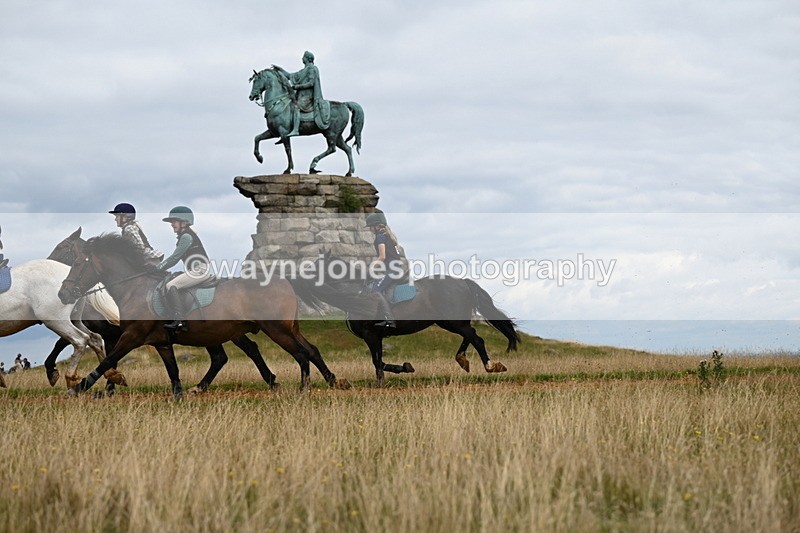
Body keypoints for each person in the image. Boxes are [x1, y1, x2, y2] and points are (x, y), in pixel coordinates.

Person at [158, 206, 214, 331]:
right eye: (171, 222)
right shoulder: (186, 235)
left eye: (174, 221)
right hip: (195, 270)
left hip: (199, 270)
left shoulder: (187, 237)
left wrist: (158, 268)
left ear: (184, 222)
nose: (172, 224)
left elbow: (174, 258)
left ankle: (180, 320)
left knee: (171, 286)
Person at [365, 211, 409, 328]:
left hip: (392, 270)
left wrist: (371, 267)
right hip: (396, 268)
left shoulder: (380, 237)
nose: (370, 229)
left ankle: (389, 320)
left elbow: (382, 256)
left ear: (377, 226)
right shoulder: (389, 236)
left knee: (375, 290)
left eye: (371, 227)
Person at [273, 51, 331, 138]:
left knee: (296, 107)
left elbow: (311, 83)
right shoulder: (303, 71)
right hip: (300, 96)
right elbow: (290, 76)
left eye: (303, 57)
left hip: (308, 97)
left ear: (307, 59)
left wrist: (297, 86)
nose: (302, 58)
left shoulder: (312, 69)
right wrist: (280, 70)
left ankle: (296, 130)